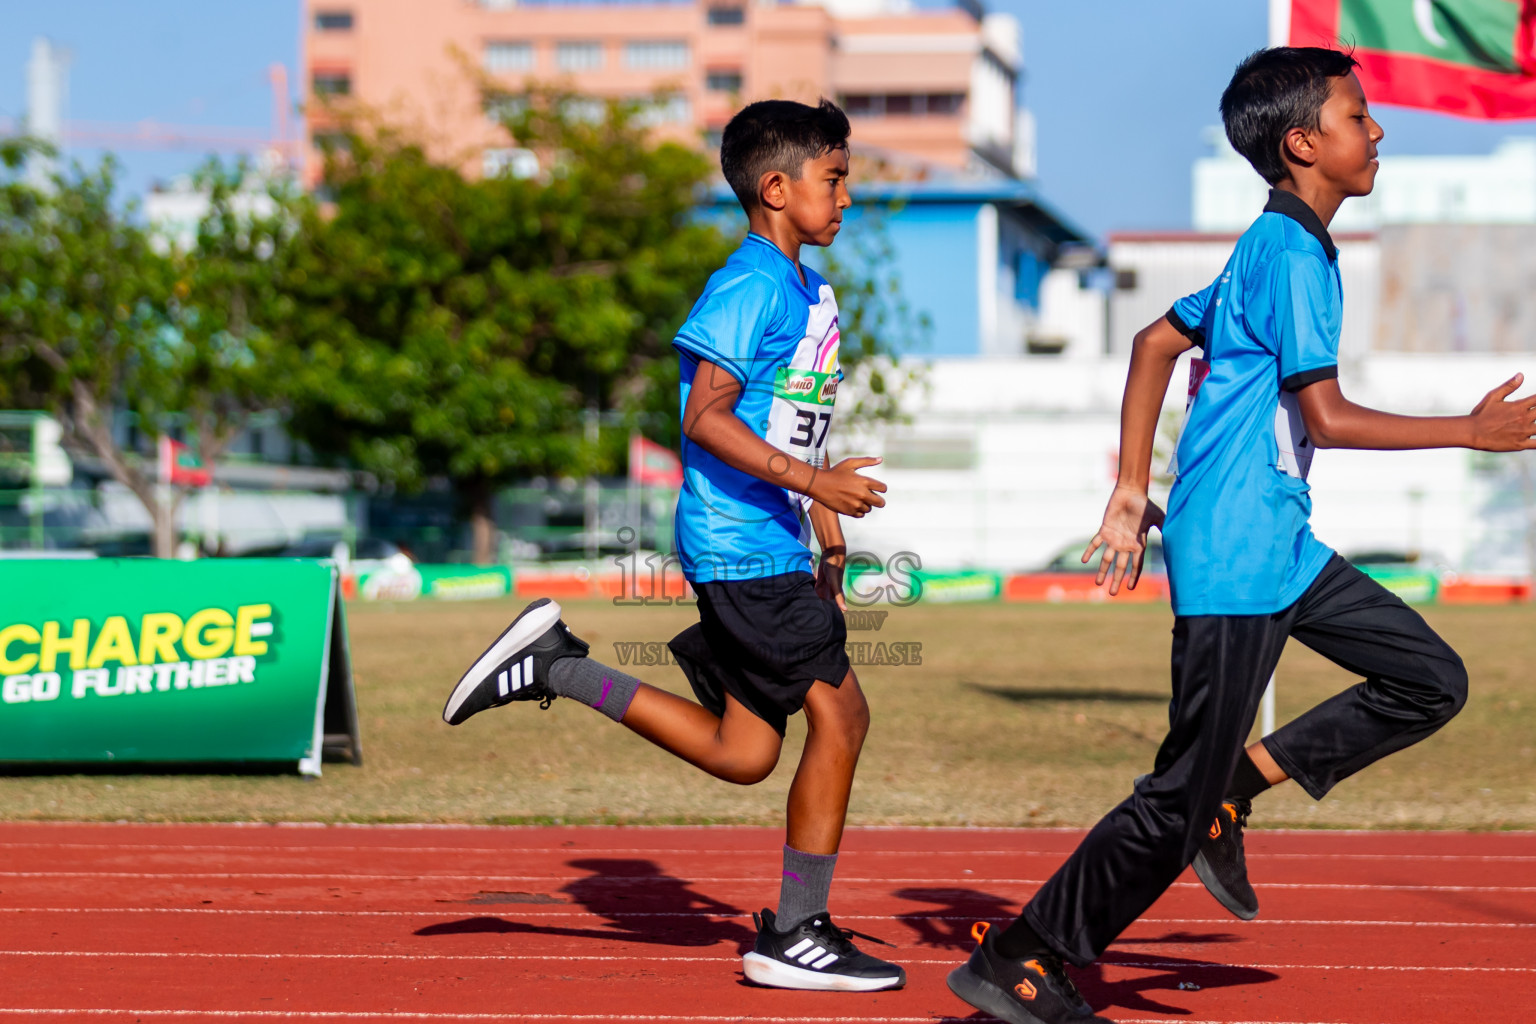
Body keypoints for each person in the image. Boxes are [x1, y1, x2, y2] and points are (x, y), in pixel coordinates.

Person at [946, 46, 1536, 1024]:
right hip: (1235, 550)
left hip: (1278, 544)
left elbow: (1153, 343)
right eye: (1358, 116)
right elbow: (1328, 417)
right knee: (1175, 795)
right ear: (1304, 142)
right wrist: (1468, 431)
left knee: (1429, 679)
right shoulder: (1290, 255)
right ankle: (1024, 953)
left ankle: (1236, 789)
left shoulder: (1274, 245)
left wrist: (1132, 490)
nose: (1377, 130)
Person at [442, 98, 903, 993]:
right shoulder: (749, 285)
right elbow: (706, 419)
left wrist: (826, 531)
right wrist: (814, 487)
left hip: (771, 541)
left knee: (745, 753)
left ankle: (558, 666)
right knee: (843, 717)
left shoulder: (807, 290)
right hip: (739, 546)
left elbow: (794, 421)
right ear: (777, 188)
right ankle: (798, 933)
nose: (847, 197)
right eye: (836, 179)